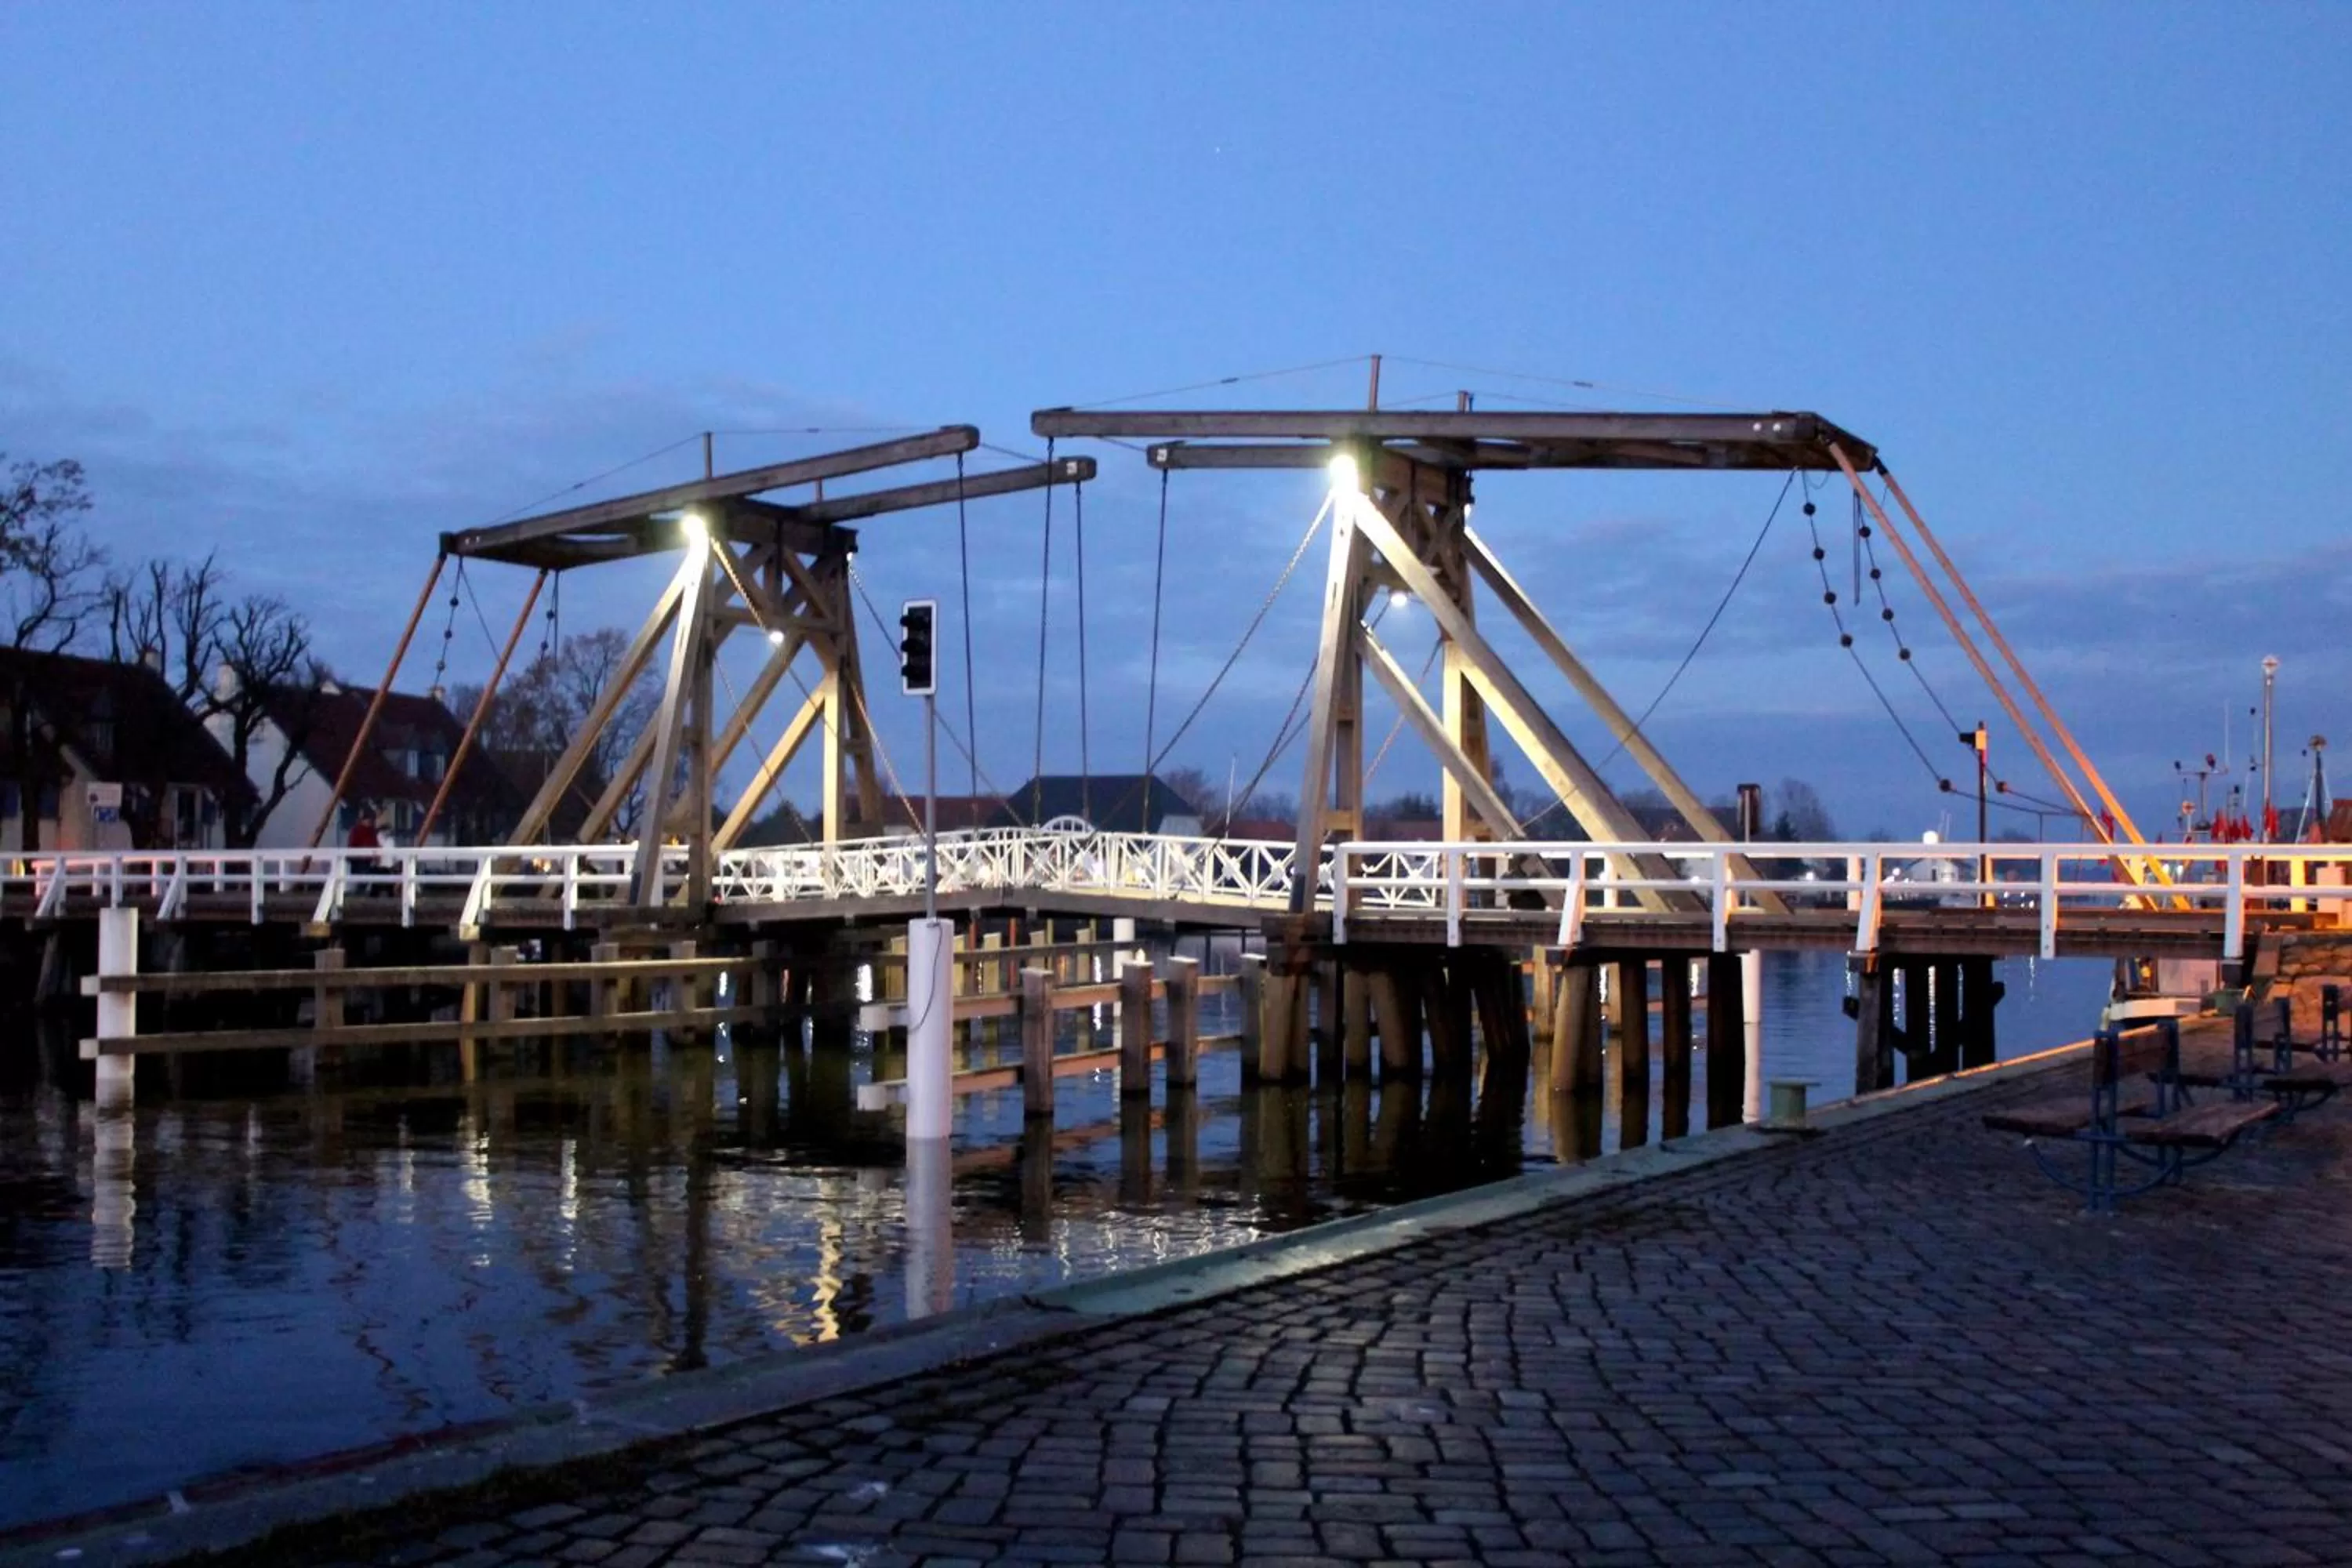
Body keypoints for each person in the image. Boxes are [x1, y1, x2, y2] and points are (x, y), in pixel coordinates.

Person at [347, 802, 383, 880]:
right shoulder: (356, 830)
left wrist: (377, 855)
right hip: (358, 860)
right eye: (367, 819)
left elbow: (374, 843)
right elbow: (352, 845)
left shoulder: (372, 831)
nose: (369, 821)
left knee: (371, 876)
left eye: (370, 820)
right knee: (361, 878)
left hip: (369, 859)